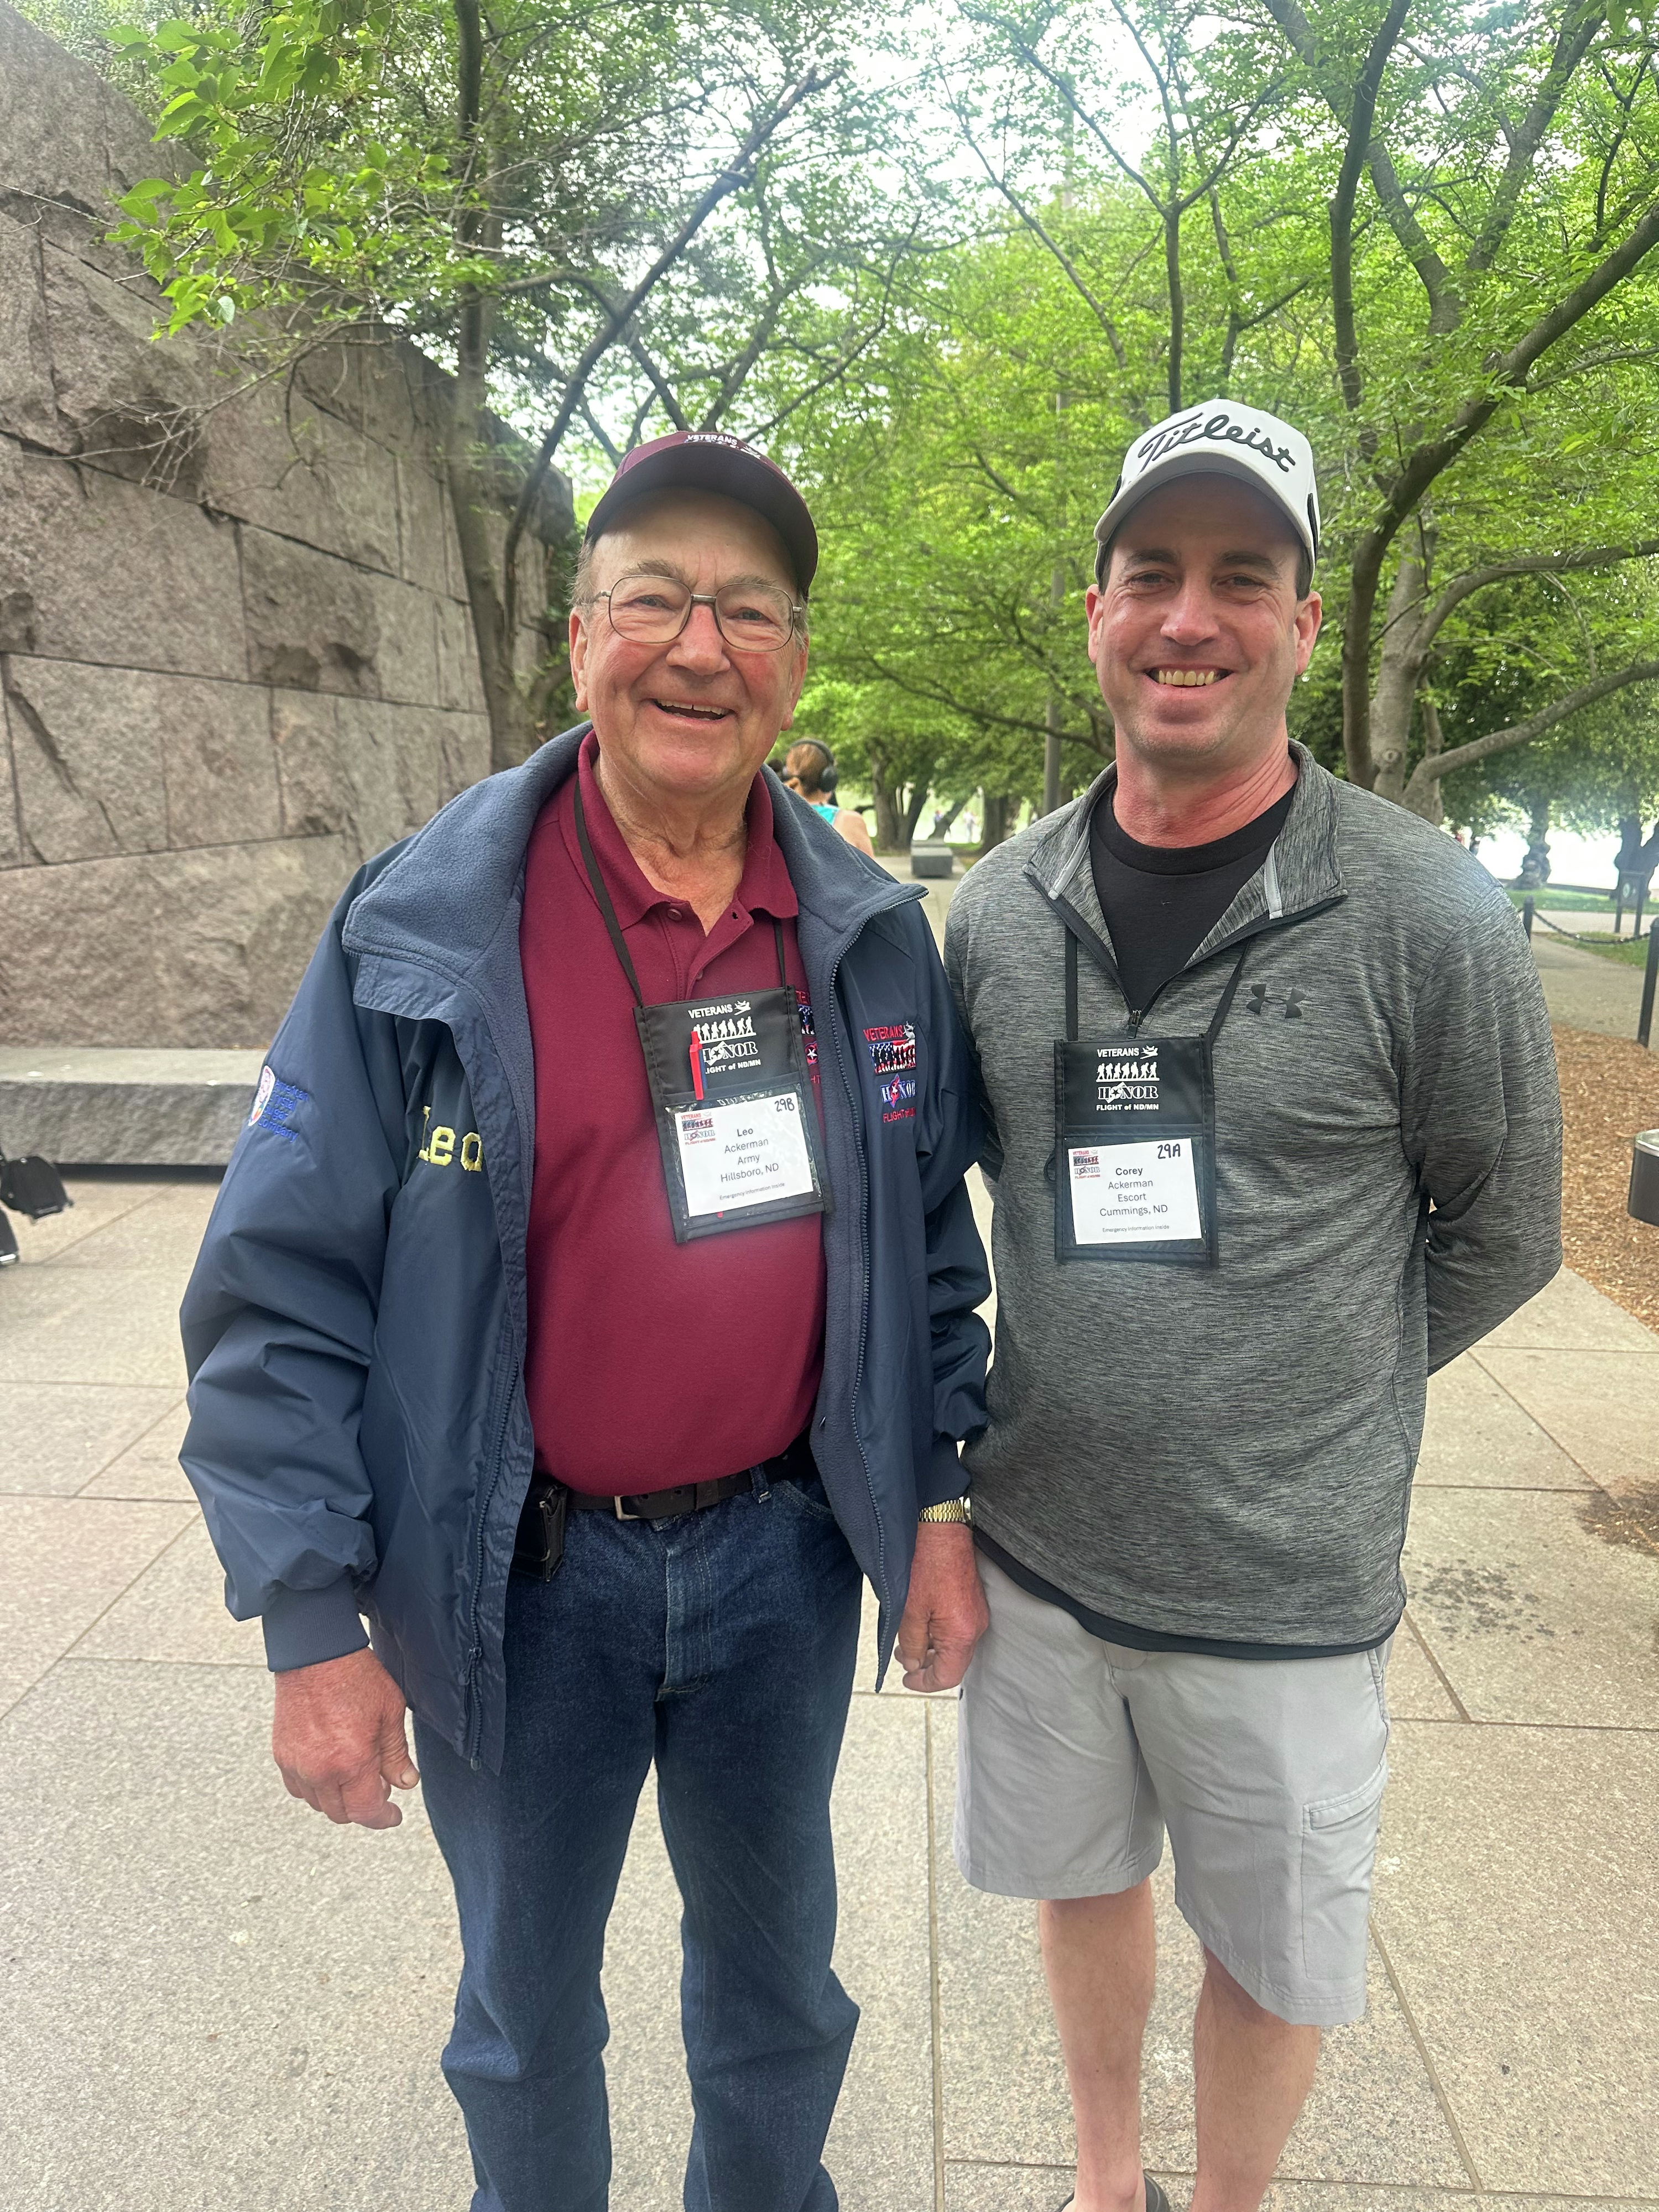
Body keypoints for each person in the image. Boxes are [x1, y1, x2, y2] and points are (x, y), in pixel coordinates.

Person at [179, 429, 992, 2212]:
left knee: (781, 1994)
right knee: (522, 2011)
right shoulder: (418, 922)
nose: (699, 647)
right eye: (655, 601)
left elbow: (930, 1240)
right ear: (576, 637)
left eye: (749, 611)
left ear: (793, 659)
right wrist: (311, 1620)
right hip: (515, 1577)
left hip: (787, 1562)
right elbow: (279, 1283)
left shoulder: (863, 930)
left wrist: (933, 1497)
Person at [943, 398, 1562, 2212]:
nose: (1188, 617)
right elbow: (948, 1205)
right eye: (1154, 576)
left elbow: (1503, 1228)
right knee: (1081, 1885)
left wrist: (1323, 1381)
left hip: (1282, 1585)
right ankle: (1104, 2176)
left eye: (1241, 578)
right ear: (1097, 613)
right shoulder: (994, 912)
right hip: (1044, 1551)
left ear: (1304, 622)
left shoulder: (1428, 916)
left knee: (1271, 1951)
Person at [781, 737, 876, 853]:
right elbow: (870, 870)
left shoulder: (775, 816)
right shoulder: (850, 822)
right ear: (829, 779)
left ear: (787, 774)